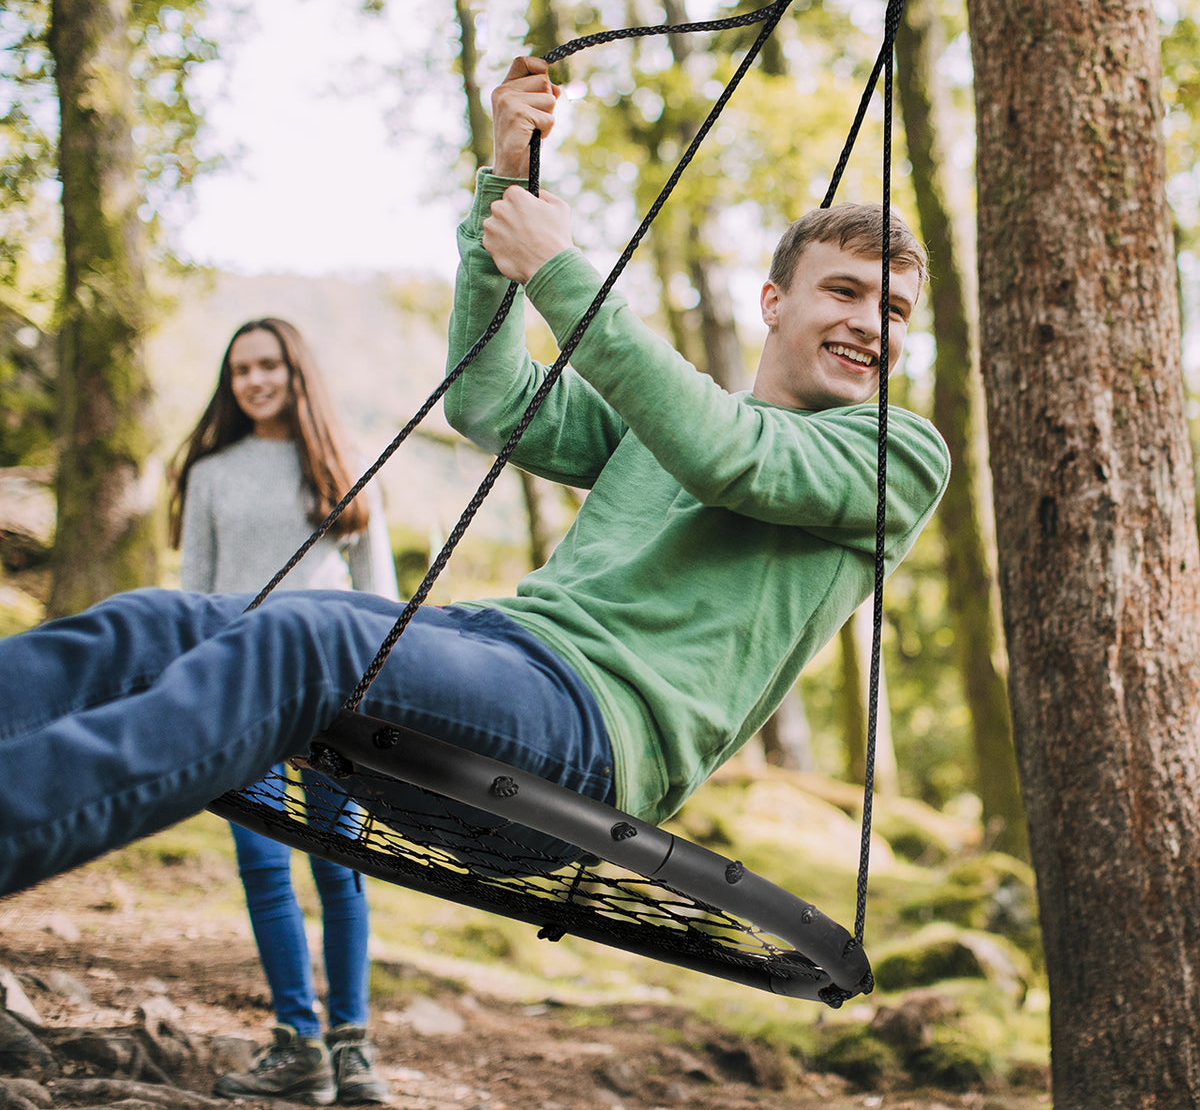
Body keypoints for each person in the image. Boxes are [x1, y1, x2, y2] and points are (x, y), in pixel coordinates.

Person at [0, 57, 949, 919]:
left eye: (893, 308)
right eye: (845, 291)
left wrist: (561, 270)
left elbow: (727, 455)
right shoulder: (658, 424)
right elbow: (491, 401)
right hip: (498, 658)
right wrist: (507, 184)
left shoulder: (897, 454)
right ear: (774, 302)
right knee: (154, 623)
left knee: (307, 634)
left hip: (588, 742)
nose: (871, 323)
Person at [168, 318, 396, 1106]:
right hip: (241, 695)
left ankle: (352, 1047)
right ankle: (297, 1041)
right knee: (265, 869)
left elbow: (382, 600)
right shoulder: (211, 473)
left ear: (298, 372)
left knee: (343, 868)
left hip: (337, 702)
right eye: (241, 371)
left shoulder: (343, 467)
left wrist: (385, 698)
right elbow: (196, 594)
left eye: (269, 365)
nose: (256, 380)